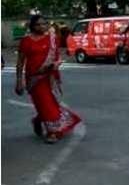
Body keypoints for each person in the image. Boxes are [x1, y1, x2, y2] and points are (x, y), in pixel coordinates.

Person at [15, 14, 82, 143]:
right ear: (32, 26)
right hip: (34, 78)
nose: (41, 26)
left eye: (44, 24)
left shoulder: (52, 39)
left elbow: (57, 57)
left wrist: (55, 64)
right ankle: (49, 128)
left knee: (47, 103)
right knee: (44, 103)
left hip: (48, 76)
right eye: (38, 24)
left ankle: (45, 125)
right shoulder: (26, 41)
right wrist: (19, 81)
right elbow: (20, 62)